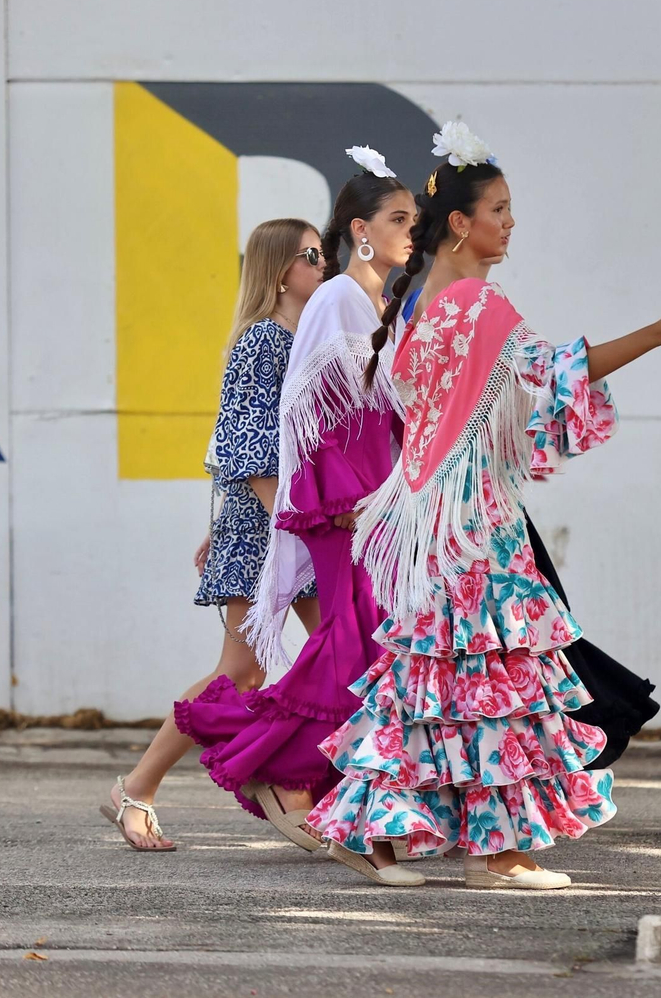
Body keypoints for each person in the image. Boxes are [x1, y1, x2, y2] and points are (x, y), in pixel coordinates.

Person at [307, 123, 661, 888]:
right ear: (462, 221)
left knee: (443, 684)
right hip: (469, 522)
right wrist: (656, 334)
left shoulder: (419, 300)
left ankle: (427, 842)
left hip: (433, 515)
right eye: (501, 208)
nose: (511, 223)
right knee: (491, 679)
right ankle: (477, 849)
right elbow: (555, 378)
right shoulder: (474, 307)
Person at [173, 148, 425, 883]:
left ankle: (345, 808)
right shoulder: (309, 318)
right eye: (399, 219)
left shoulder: (352, 309)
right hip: (307, 520)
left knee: (340, 665)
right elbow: (277, 430)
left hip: (335, 515)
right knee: (307, 667)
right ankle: (209, 773)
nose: (413, 230)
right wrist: (312, 511)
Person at [101, 218, 325, 851]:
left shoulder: (302, 339)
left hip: (292, 529)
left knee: (337, 655)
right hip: (273, 534)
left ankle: (319, 789)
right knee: (242, 674)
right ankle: (137, 788)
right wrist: (287, 525)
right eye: (312, 255)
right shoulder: (263, 341)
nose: (324, 264)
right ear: (282, 270)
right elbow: (244, 443)